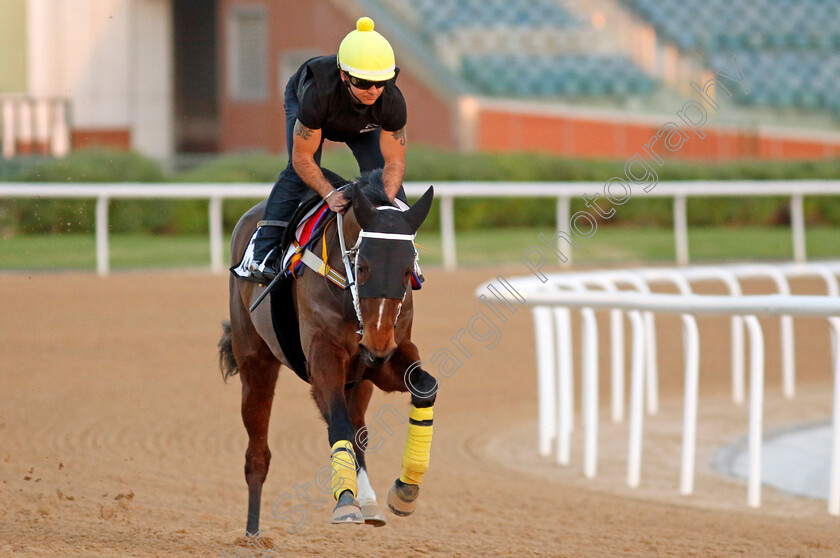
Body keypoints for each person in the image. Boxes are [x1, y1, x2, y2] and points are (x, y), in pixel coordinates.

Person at [248, 16, 408, 282]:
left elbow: (395, 164)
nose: (373, 91)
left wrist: (384, 204)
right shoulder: (317, 96)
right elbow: (303, 158)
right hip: (315, 112)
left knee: (383, 180)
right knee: (297, 176)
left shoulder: (390, 100)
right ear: (344, 75)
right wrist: (329, 194)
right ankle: (263, 252)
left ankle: (403, 255)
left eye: (380, 82)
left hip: (361, 122)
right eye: (363, 82)